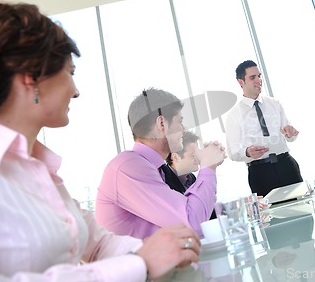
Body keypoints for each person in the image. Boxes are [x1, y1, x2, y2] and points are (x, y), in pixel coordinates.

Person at [0, 2, 200, 281]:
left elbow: (97, 244)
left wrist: (160, 252)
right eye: (70, 72)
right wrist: (140, 263)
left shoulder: (39, 169)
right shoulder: (128, 166)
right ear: (31, 78)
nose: (76, 91)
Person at [96, 88, 226, 238]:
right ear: (162, 123)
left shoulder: (156, 169)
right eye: (180, 122)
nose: (183, 130)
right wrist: (208, 165)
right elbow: (191, 222)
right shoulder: (128, 167)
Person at [225, 60, 303, 197]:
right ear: (241, 82)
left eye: (259, 76)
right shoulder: (234, 115)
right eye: (252, 77)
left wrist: (291, 134)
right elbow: (232, 152)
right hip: (260, 173)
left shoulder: (274, 103)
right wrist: (247, 153)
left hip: (287, 165)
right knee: (270, 216)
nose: (259, 80)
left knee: (303, 211)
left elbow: (289, 136)